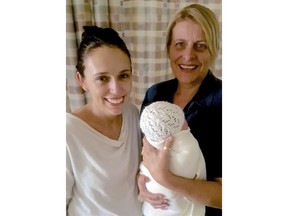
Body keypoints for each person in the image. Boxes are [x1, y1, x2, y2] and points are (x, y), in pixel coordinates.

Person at [138, 3, 222, 216]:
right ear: (168, 47)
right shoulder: (154, 95)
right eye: (180, 44)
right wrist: (142, 182)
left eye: (200, 46)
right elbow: (147, 154)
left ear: (214, 49)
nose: (187, 56)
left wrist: (166, 179)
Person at [66, 26, 142, 216]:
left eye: (123, 75)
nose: (116, 90)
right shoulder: (67, 133)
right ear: (82, 81)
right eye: (102, 78)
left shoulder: (132, 114)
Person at [139, 101, 206, 216]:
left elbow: (146, 165)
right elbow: (146, 165)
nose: (186, 121)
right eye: (183, 120)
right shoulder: (188, 146)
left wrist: (161, 177)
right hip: (163, 202)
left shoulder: (151, 141)